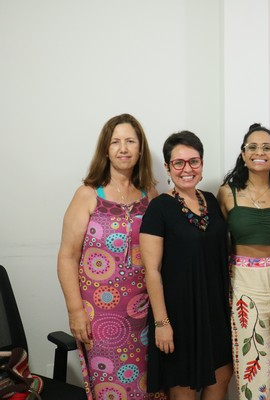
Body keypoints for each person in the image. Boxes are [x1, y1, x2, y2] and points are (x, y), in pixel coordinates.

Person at [57, 113, 161, 400]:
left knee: (144, 388)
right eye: (115, 142)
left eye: (130, 141)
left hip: (144, 313)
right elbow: (67, 257)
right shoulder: (88, 195)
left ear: (140, 149)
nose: (123, 148)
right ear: (105, 149)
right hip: (100, 317)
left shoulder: (150, 195)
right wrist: (75, 311)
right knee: (110, 388)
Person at [140, 131, 232, 400]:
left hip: (214, 311)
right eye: (178, 163)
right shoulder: (158, 208)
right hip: (178, 316)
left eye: (194, 161)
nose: (187, 169)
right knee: (184, 388)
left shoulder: (211, 201)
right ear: (168, 167)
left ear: (202, 164)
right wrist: (162, 323)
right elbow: (152, 271)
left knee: (221, 378)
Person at [217, 123, 270, 399]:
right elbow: (218, 240)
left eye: (266, 148)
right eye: (252, 147)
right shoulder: (227, 193)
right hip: (243, 281)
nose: (259, 152)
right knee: (251, 352)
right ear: (243, 154)